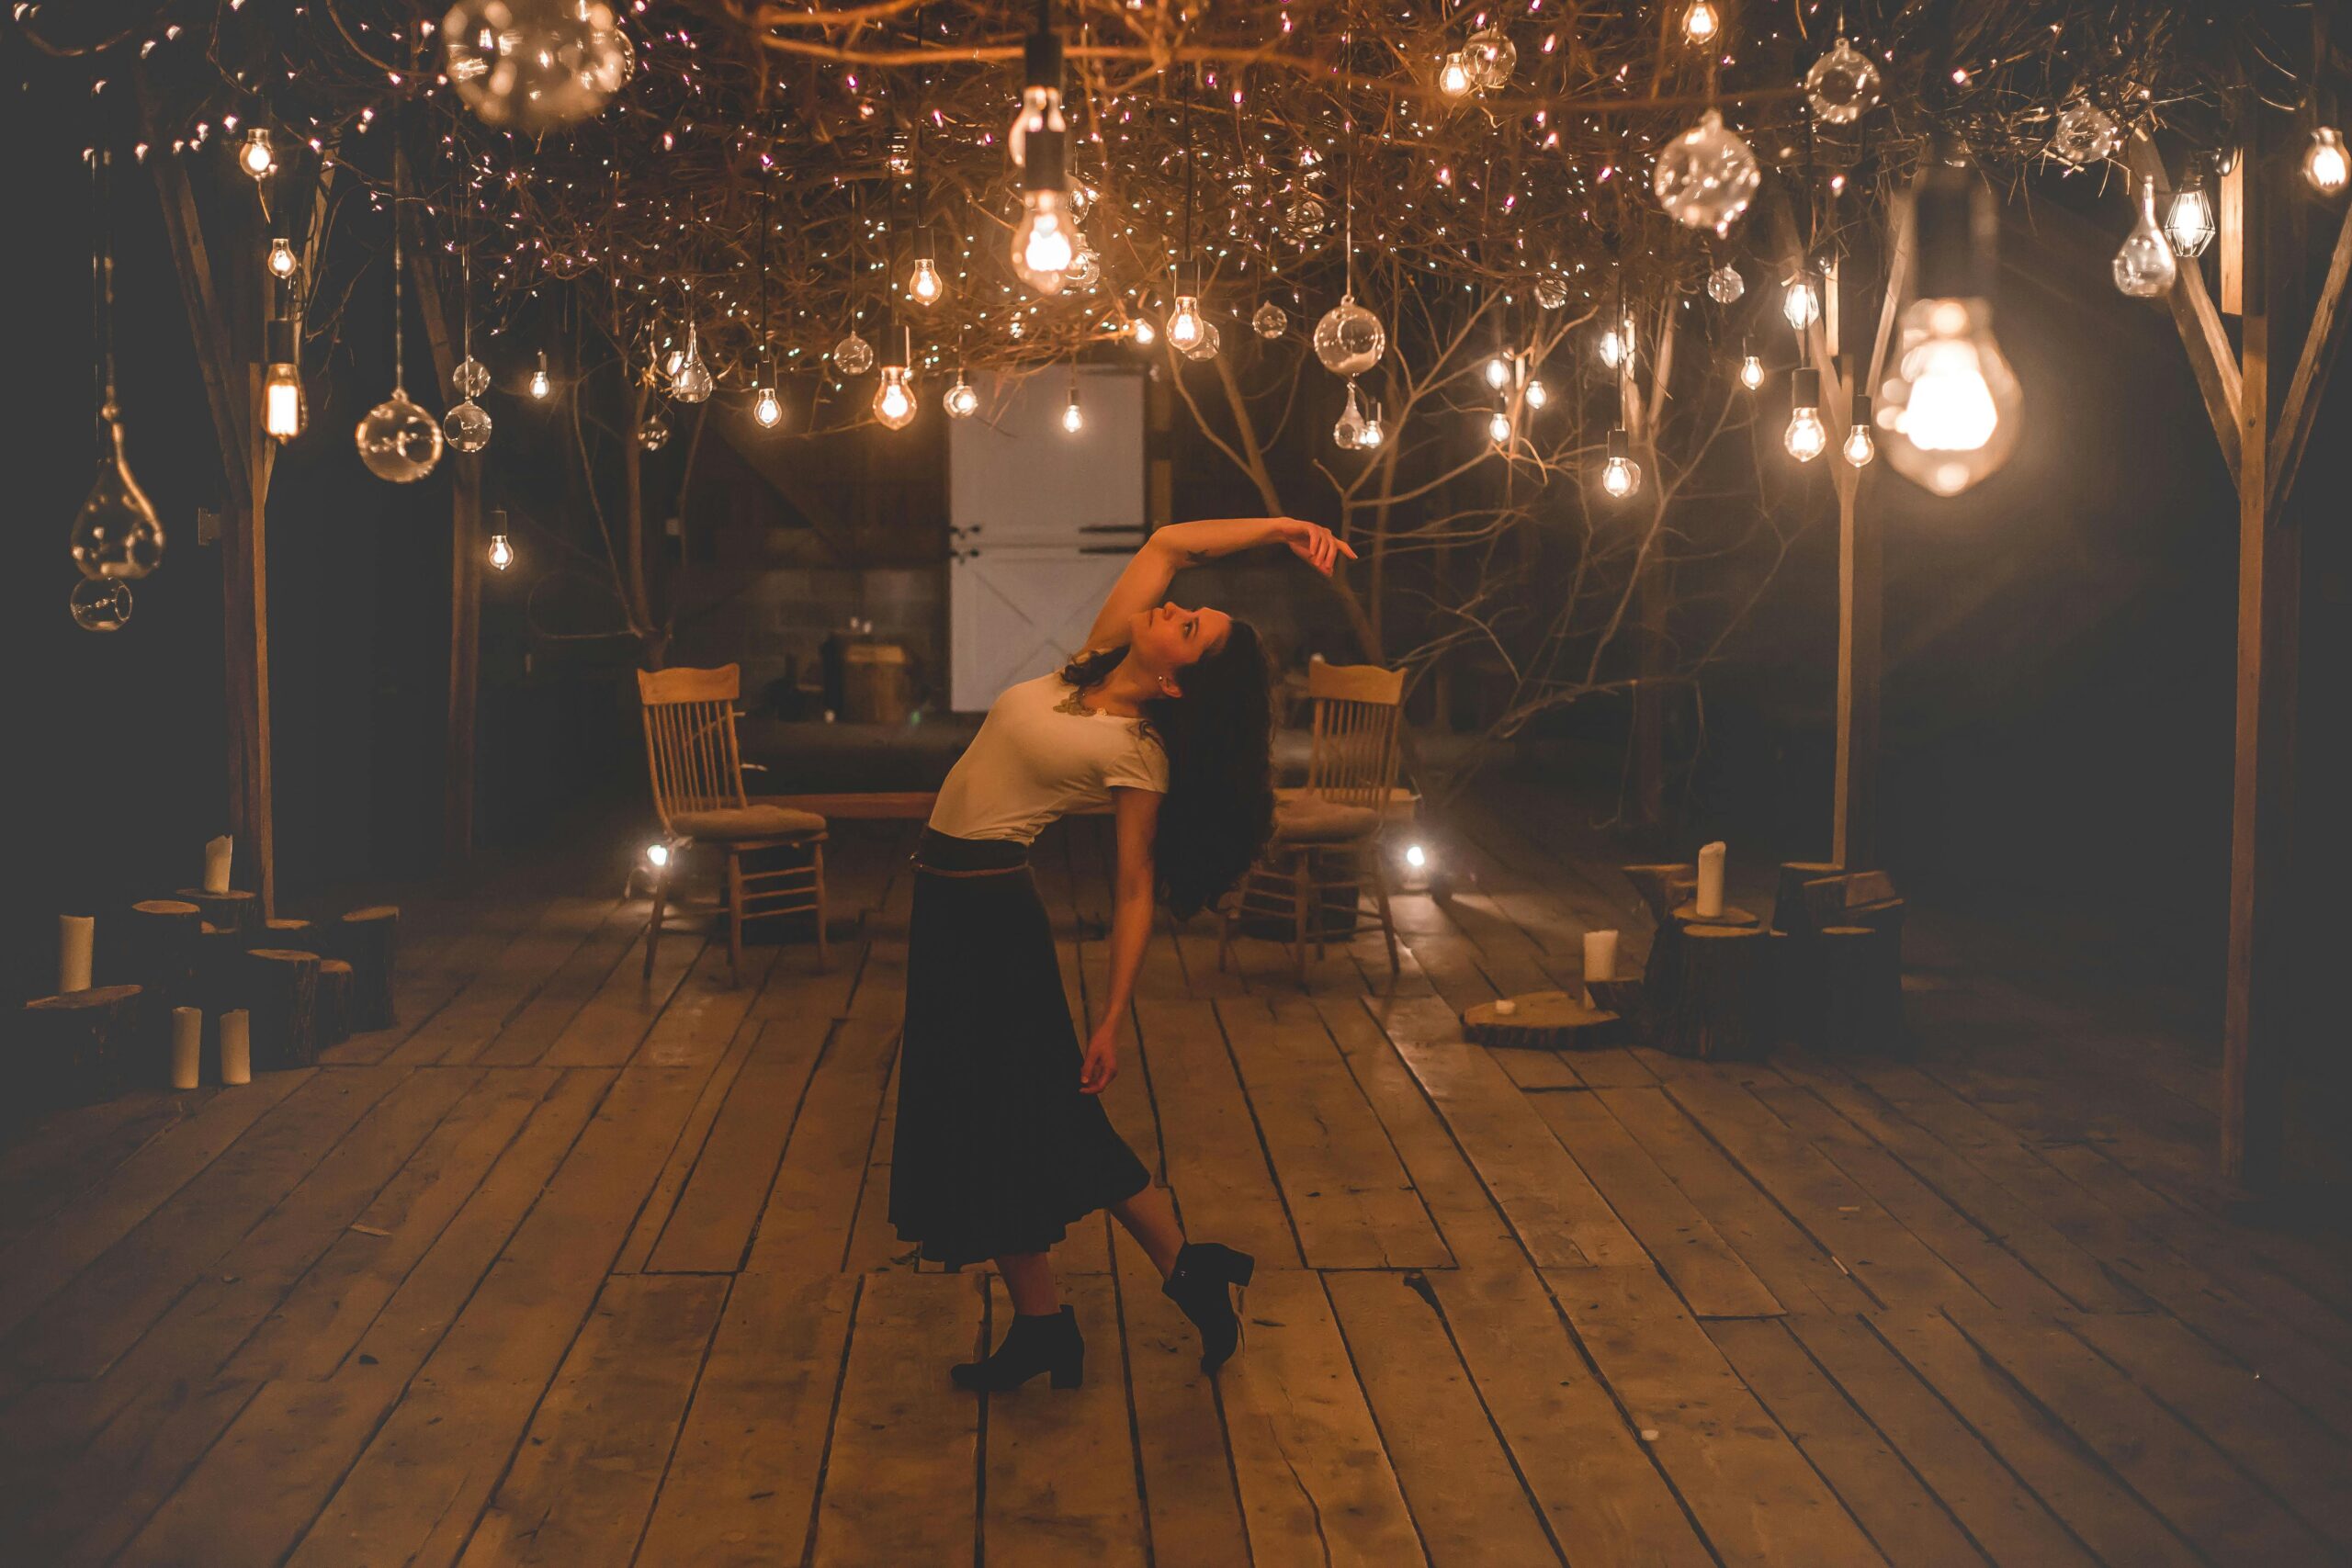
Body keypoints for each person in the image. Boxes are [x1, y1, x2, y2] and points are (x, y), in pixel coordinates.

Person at [889, 514, 1355, 1391]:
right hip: (944, 905)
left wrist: (1111, 1015)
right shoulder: (1092, 662)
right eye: (1186, 611)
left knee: (1043, 1121)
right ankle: (1052, 1321)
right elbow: (1172, 542)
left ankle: (1174, 1273)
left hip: (992, 918)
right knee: (987, 1121)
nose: (1174, 608)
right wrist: (1283, 528)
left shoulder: (1137, 753)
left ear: (1180, 685)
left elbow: (1134, 888)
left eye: (1190, 628)